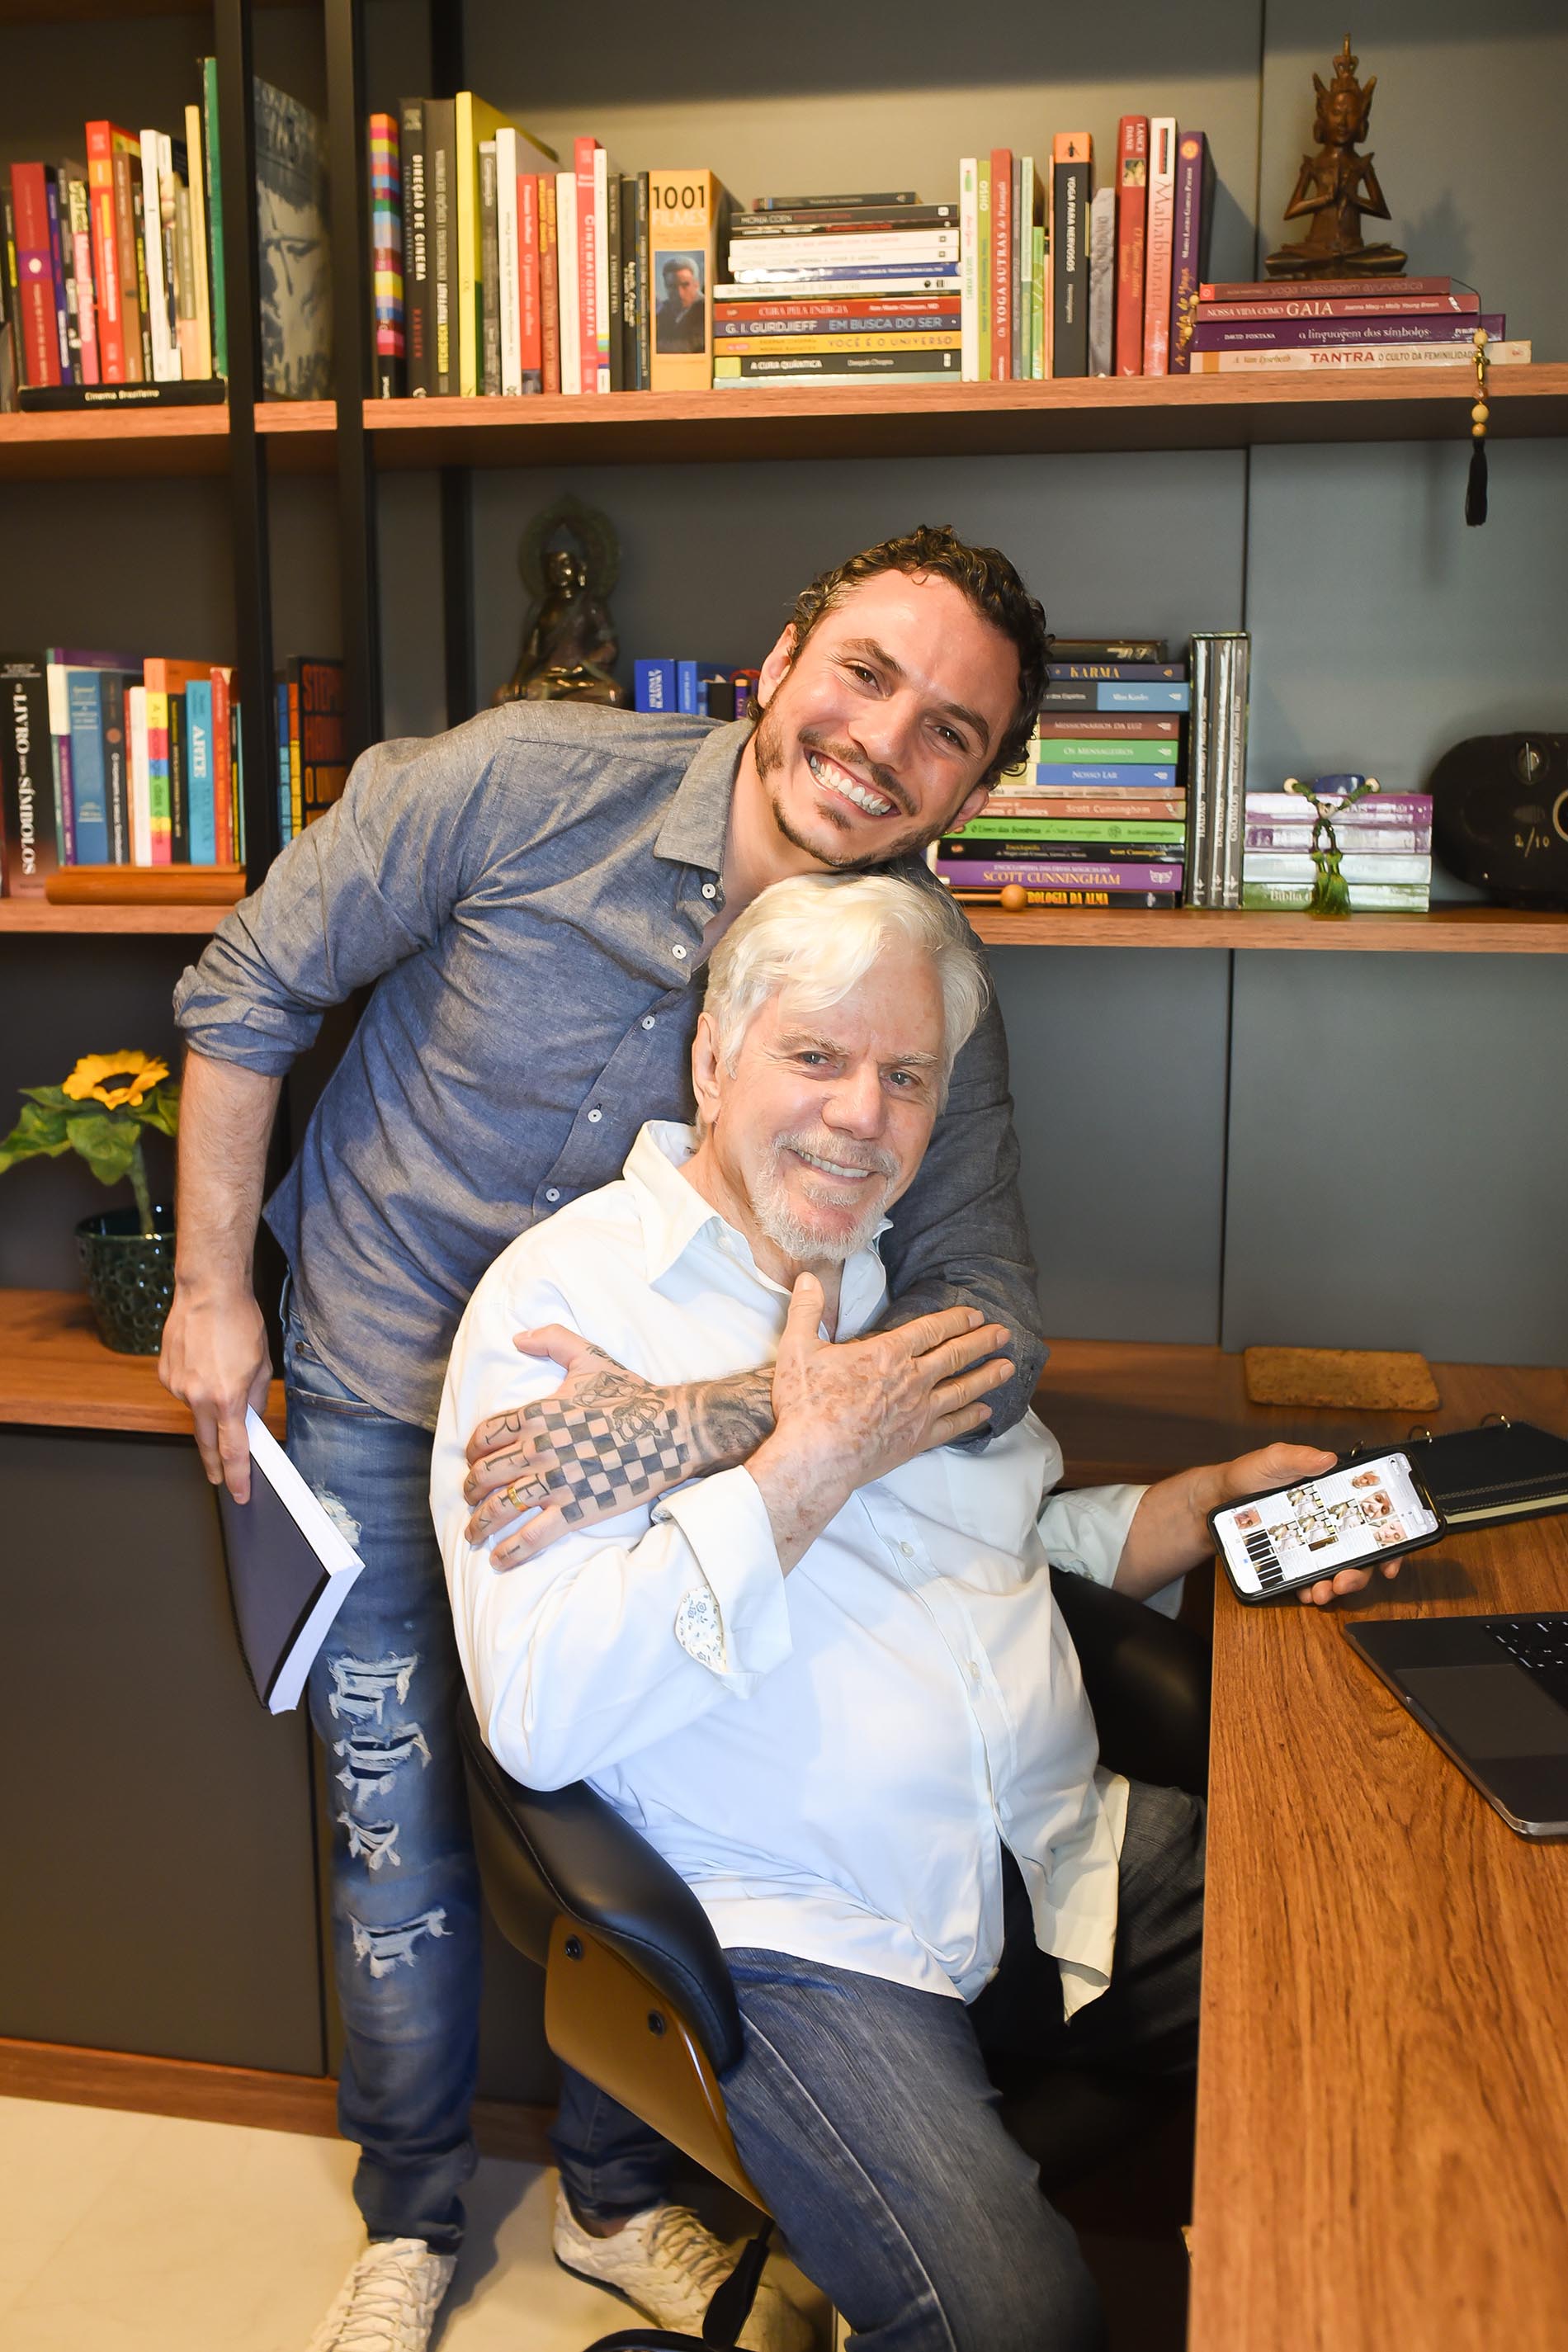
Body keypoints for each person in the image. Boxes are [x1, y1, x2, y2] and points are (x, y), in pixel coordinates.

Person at [163, 527, 1055, 2350]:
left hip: (675, 1481)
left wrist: (696, 1424)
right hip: (382, 1402)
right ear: (781, 654)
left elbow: (989, 1319)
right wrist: (209, 1300)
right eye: (866, 674)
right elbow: (249, 981)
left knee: (643, 1824)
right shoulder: (515, 779)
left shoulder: (917, 988)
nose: (886, 741)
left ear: (976, 784)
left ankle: (610, 2197)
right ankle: (410, 2221)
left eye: (952, 729)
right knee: (398, 1847)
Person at [433, 872, 1379, 2352]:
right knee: (1018, 2325)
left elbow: (999, 1542)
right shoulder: (563, 1316)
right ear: (714, 1058)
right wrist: (797, 1472)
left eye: (906, 1077)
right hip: (814, 1938)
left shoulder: (892, 1285)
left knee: (1418, 1991)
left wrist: (1195, 1511)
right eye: (817, 1058)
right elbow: (541, 1716)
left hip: (1063, 1848)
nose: (862, 1115)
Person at [656, 255, 706, 352]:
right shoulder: (662, 310)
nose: (679, 293)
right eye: (672, 287)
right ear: (666, 287)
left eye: (685, 285)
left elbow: (691, 345)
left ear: (696, 284)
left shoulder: (705, 309)